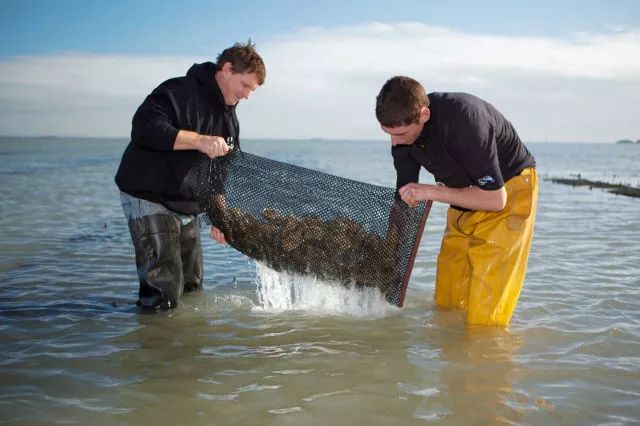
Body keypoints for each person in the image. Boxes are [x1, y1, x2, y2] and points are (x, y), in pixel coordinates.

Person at [115, 41, 266, 310]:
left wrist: (220, 221)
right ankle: (155, 343)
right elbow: (144, 127)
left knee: (192, 285)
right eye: (245, 86)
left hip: (187, 205)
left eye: (252, 91)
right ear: (227, 69)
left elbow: (218, 179)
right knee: (163, 290)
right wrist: (199, 141)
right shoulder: (178, 91)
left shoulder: (230, 120)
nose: (247, 96)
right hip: (149, 195)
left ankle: (189, 347)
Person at [375, 76, 537, 327]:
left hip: (508, 190)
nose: (395, 142)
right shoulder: (402, 139)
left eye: (401, 133)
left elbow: (496, 200)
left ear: (424, 114)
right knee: (446, 302)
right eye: (389, 134)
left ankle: (488, 358)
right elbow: (403, 200)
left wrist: (429, 191)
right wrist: (388, 254)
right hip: (464, 198)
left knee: (484, 316)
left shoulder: (465, 121)